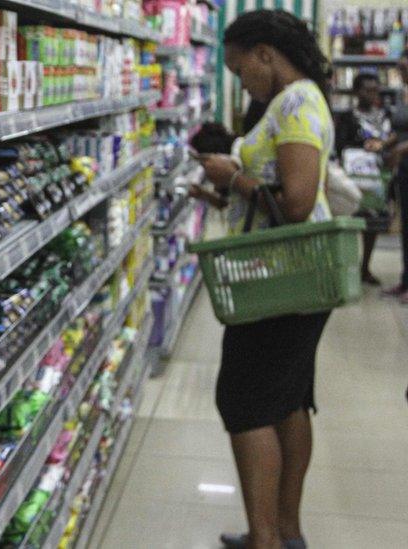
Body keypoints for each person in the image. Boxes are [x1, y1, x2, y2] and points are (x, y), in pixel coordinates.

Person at [197, 10, 334, 549]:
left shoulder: (296, 101)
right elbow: (280, 194)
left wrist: (234, 176)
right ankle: (284, 531)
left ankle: (266, 539)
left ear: (264, 54)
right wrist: (226, 193)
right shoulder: (294, 100)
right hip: (297, 277)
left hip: (281, 281)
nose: (240, 80)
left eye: (239, 69)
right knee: (289, 401)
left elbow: (296, 203)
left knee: (245, 403)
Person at [334, 72, 396, 284]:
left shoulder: (386, 115)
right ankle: (348, 267)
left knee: (374, 223)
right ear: (356, 91)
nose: (371, 94)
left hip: (379, 178)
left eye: (374, 89)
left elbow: (392, 141)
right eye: (366, 89)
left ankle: (365, 267)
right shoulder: (347, 117)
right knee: (353, 221)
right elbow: (341, 145)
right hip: (355, 178)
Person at [382, 49, 408, 302]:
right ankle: (404, 279)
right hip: (403, 168)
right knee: (405, 225)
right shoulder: (403, 94)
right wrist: (384, 143)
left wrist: (401, 148)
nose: (401, 67)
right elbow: (399, 130)